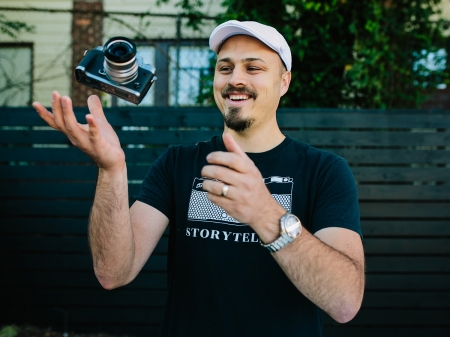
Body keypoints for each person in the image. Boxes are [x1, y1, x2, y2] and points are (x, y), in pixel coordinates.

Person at [33, 20, 364, 337]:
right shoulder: (177, 163)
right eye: (225, 67)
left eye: (253, 68)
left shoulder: (325, 171)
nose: (235, 78)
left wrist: (265, 214)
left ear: (283, 82)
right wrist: (111, 169)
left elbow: (345, 302)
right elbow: (112, 272)